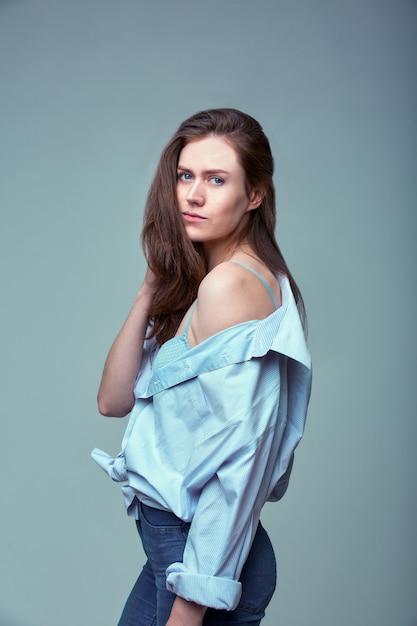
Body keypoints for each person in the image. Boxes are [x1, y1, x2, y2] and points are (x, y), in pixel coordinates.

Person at [92, 108, 312, 626]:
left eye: (217, 179)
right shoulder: (212, 279)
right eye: (185, 176)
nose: (193, 195)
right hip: (174, 555)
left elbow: (241, 461)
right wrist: (151, 286)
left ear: (254, 194)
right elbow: (113, 400)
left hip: (198, 565)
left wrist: (189, 610)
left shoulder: (230, 287)